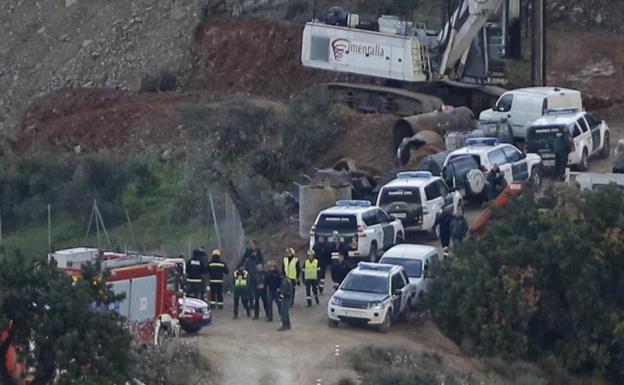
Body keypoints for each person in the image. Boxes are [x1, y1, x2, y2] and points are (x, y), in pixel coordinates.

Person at [241, 240, 264, 310]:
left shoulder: (258, 251)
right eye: (250, 244)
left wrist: (261, 266)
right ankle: (250, 302)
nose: (251, 245)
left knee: (256, 287)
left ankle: (254, 302)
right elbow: (243, 259)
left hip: (256, 271)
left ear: (255, 244)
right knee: (249, 288)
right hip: (249, 272)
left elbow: (261, 260)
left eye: (252, 244)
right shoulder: (248, 251)